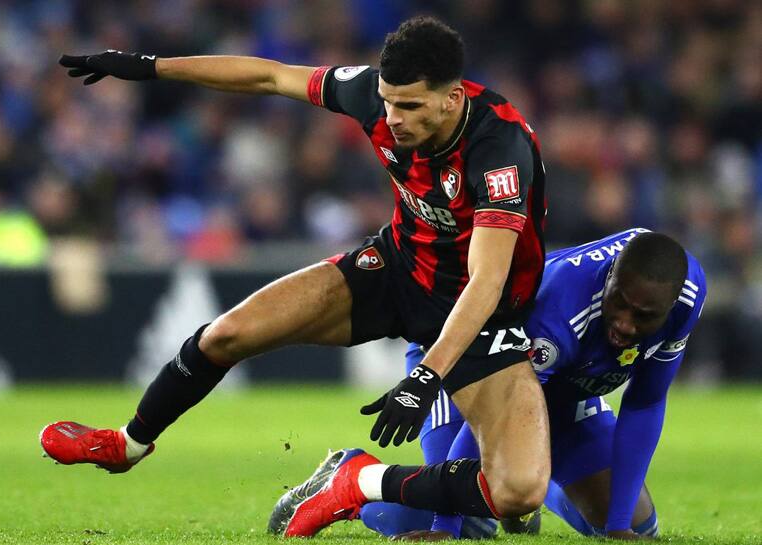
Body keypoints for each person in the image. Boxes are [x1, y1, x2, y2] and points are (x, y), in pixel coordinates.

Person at [41, 16, 551, 531]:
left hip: (480, 315)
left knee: (519, 491)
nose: (393, 118)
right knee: (227, 334)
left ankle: (356, 479)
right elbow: (269, 76)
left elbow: (486, 279)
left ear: (452, 98)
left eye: (410, 106)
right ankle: (126, 444)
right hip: (397, 269)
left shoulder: (496, 147)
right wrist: (150, 68)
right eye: (389, 101)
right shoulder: (370, 96)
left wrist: (424, 376)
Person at [291, 229, 706, 540]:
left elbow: (645, 403)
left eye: (644, 316)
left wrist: (617, 528)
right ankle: (351, 478)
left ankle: (529, 486)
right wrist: (445, 523)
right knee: (472, 523)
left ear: (670, 307)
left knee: (638, 525)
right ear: (609, 277)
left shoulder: (686, 296)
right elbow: (494, 409)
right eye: (620, 303)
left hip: (561, 390)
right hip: (470, 371)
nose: (625, 323)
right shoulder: (559, 313)